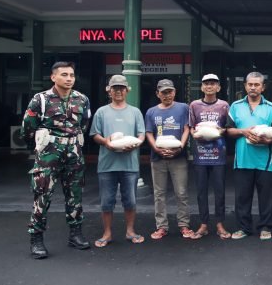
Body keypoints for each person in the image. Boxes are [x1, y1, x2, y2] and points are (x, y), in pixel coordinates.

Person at [21, 61, 91, 259]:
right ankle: (36, 239)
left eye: (72, 75)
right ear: (53, 77)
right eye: (64, 75)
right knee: (42, 195)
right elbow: (27, 128)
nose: (69, 79)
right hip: (49, 153)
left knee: (75, 194)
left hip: (74, 152)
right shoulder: (41, 99)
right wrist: (42, 145)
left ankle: (75, 234)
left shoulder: (82, 99)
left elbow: (84, 124)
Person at [89, 74, 145, 248]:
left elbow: (141, 134)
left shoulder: (135, 112)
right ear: (109, 91)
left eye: (121, 88)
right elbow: (95, 134)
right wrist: (106, 142)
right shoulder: (101, 112)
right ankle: (107, 233)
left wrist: (135, 144)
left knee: (131, 200)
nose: (118, 91)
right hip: (107, 164)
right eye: (115, 88)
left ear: (127, 90)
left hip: (130, 164)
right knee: (107, 201)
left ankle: (130, 231)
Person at [226, 72, 272, 240]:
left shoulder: (271, 107)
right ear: (245, 86)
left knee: (266, 198)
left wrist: (264, 140)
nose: (253, 87)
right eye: (250, 84)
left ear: (263, 87)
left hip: (265, 162)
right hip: (242, 160)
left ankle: (266, 227)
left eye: (257, 85)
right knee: (242, 197)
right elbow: (228, 130)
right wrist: (243, 132)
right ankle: (244, 228)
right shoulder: (235, 106)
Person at [145, 79, 197, 241]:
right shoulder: (151, 112)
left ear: (174, 92)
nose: (167, 95)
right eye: (164, 92)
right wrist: (156, 148)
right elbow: (149, 133)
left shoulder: (183, 108)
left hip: (178, 157)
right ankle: (161, 226)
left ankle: (184, 224)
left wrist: (180, 147)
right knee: (159, 193)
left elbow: (186, 129)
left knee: (181, 192)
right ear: (157, 94)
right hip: (157, 157)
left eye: (170, 92)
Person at [189, 73, 230, 239]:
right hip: (200, 154)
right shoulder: (194, 105)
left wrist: (221, 131)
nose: (209, 86)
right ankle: (203, 224)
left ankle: (220, 223)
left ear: (218, 87)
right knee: (201, 191)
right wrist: (194, 134)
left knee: (220, 190)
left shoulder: (224, 105)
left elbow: (227, 127)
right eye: (206, 83)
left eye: (213, 83)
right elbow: (191, 127)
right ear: (202, 87)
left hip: (218, 153)